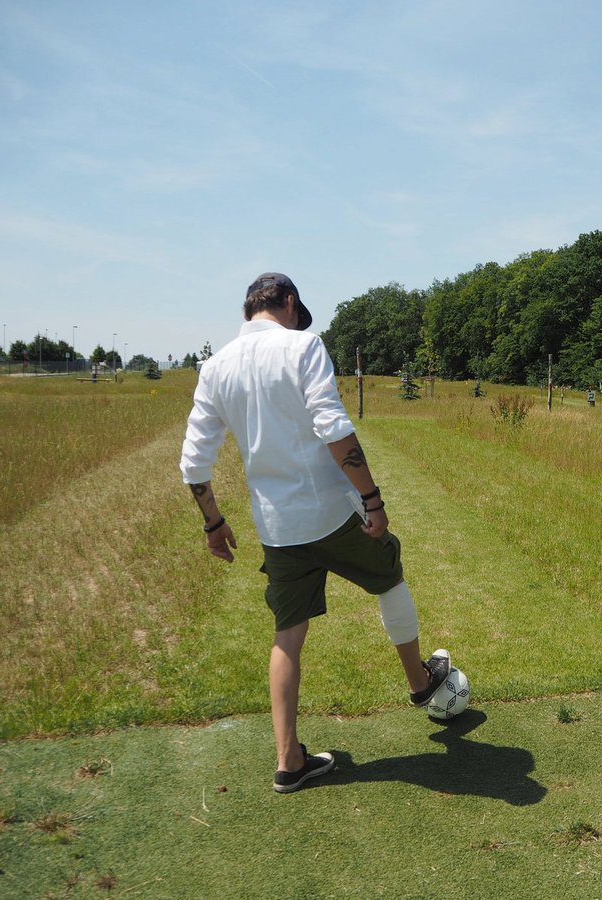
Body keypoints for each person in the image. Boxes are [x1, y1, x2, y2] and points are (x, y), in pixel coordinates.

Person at [180, 273, 452, 793]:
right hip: (329, 513)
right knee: (389, 574)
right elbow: (331, 427)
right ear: (287, 301)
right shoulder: (302, 345)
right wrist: (372, 498)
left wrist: (213, 522)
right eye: (295, 311)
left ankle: (289, 762)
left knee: (288, 634)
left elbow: (194, 463)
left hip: (276, 528)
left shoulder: (214, 368)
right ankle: (420, 685)